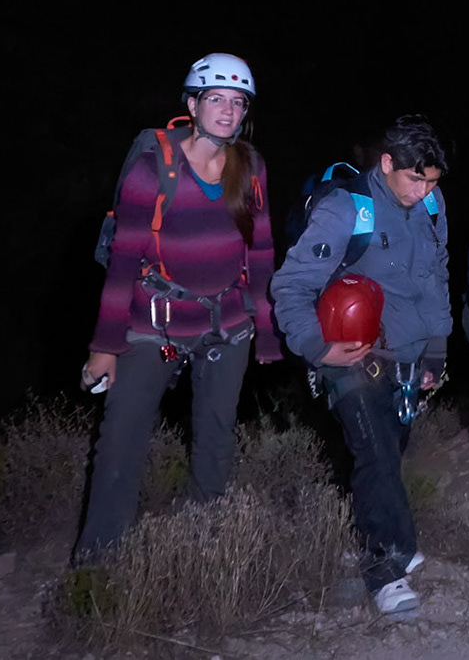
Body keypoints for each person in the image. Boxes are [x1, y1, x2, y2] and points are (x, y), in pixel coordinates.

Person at [75, 53, 280, 563]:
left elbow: (260, 250)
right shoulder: (154, 169)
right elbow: (123, 261)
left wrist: (267, 328)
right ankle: (97, 564)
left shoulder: (250, 166)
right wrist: (105, 346)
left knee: (216, 436)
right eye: (216, 99)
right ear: (192, 105)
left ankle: (203, 545)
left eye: (238, 102)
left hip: (226, 326)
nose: (228, 111)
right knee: (121, 440)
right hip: (157, 328)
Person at [272, 116, 452, 619]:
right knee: (375, 458)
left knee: (390, 456)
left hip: (408, 356)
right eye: (414, 179)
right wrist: (315, 346)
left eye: (431, 181)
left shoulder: (432, 203)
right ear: (387, 162)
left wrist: (436, 348)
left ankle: (387, 536)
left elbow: (435, 275)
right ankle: (385, 570)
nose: (422, 191)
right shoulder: (345, 210)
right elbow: (291, 285)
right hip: (353, 356)